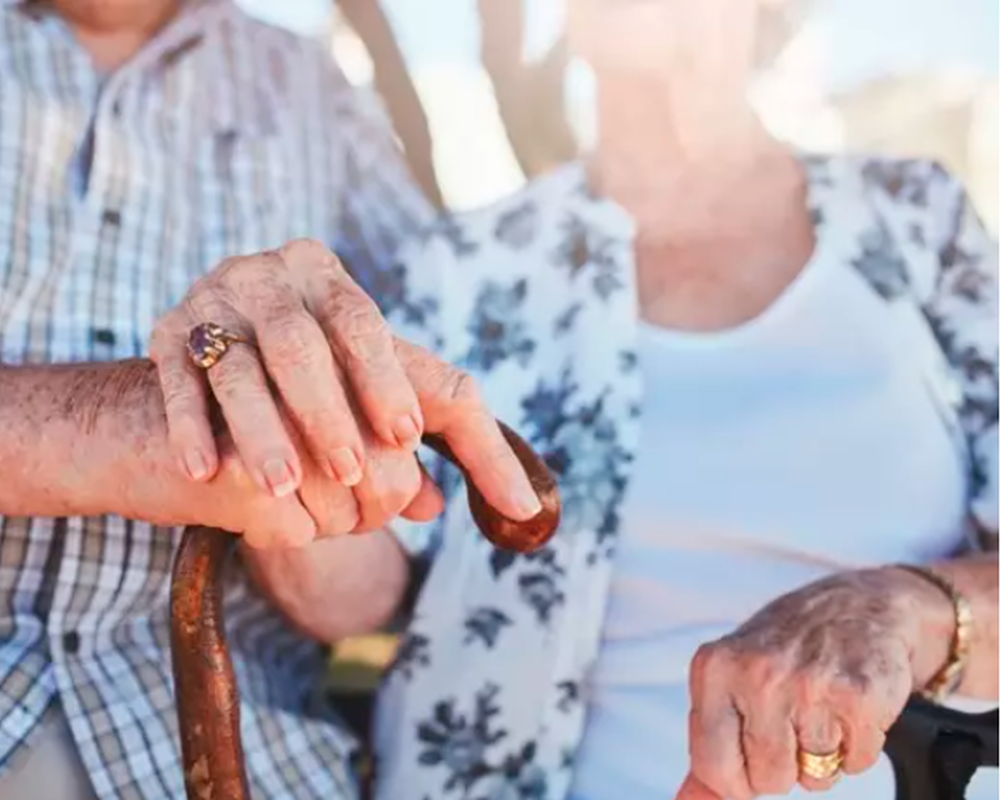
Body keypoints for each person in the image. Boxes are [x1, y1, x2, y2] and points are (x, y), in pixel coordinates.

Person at [0, 1, 544, 799]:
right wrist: (134, 426)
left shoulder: (316, 94)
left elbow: (368, 594)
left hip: (244, 755)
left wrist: (293, 436)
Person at [270, 0, 999, 798]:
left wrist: (913, 611)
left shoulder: (913, 219)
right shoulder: (468, 264)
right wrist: (280, 430)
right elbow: (355, 598)